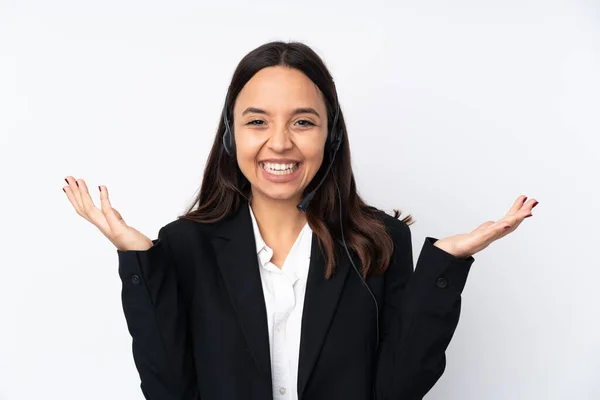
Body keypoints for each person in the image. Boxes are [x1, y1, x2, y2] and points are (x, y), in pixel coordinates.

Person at [63, 41, 538, 400]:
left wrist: (445, 265)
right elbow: (168, 388)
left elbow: (399, 388)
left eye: (303, 122)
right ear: (232, 137)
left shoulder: (381, 241)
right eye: (257, 122)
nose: (280, 143)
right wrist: (138, 259)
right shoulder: (187, 244)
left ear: (330, 137)